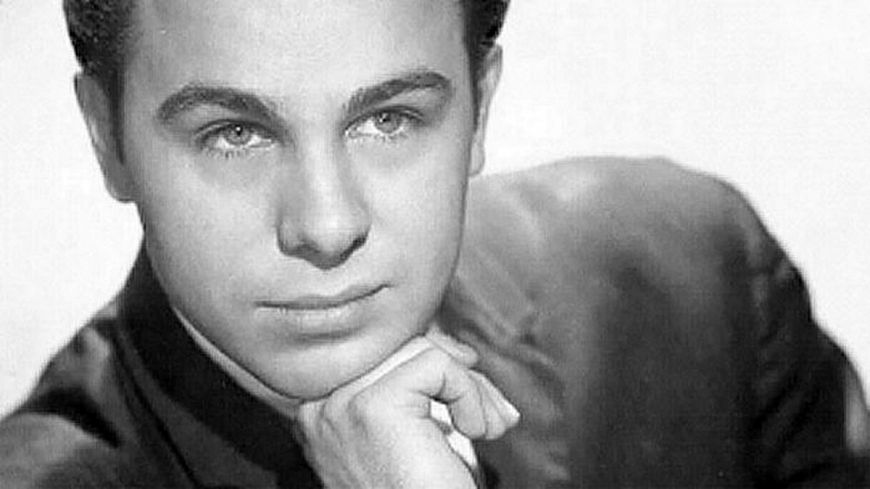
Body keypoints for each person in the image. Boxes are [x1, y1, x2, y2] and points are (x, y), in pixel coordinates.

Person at [0, 0, 867, 487]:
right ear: (107, 137)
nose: (327, 226)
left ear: (480, 107)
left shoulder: (699, 277)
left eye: (389, 118)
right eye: (235, 133)